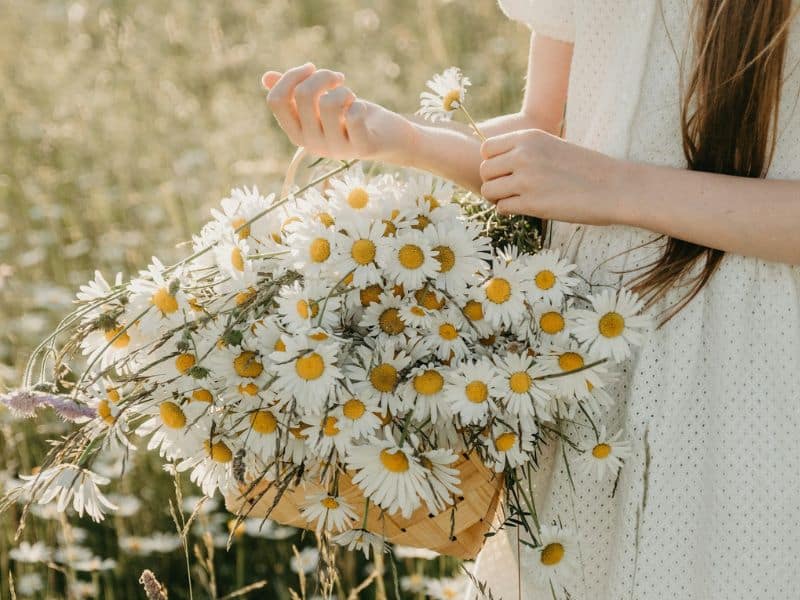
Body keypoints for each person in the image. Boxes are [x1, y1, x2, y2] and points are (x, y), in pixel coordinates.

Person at [261, 1, 800, 598]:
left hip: (756, 377)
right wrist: (402, 139)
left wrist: (611, 186)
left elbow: (579, 172)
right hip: (583, 364)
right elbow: (548, 136)